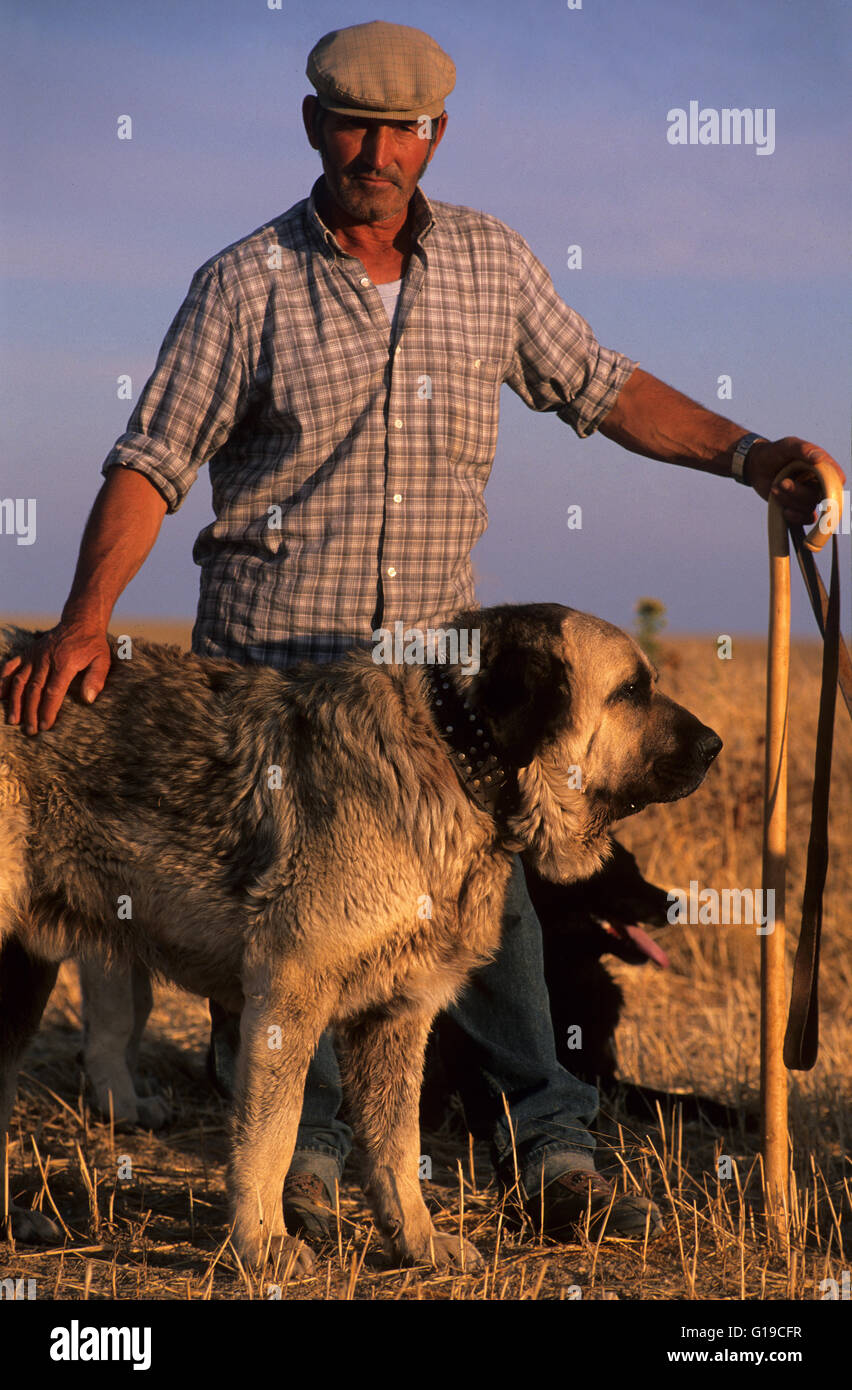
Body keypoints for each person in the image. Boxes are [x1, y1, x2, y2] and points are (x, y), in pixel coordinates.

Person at [2, 19, 843, 1251]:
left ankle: (549, 1143)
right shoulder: (244, 284)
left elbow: (603, 386)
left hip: (436, 700)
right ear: (313, 127)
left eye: (405, 129)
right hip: (278, 683)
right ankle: (300, 1181)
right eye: (355, 123)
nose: (379, 150)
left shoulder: (493, 267)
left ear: (436, 137)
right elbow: (153, 460)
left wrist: (749, 453)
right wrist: (85, 620)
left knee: (475, 932)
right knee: (296, 965)